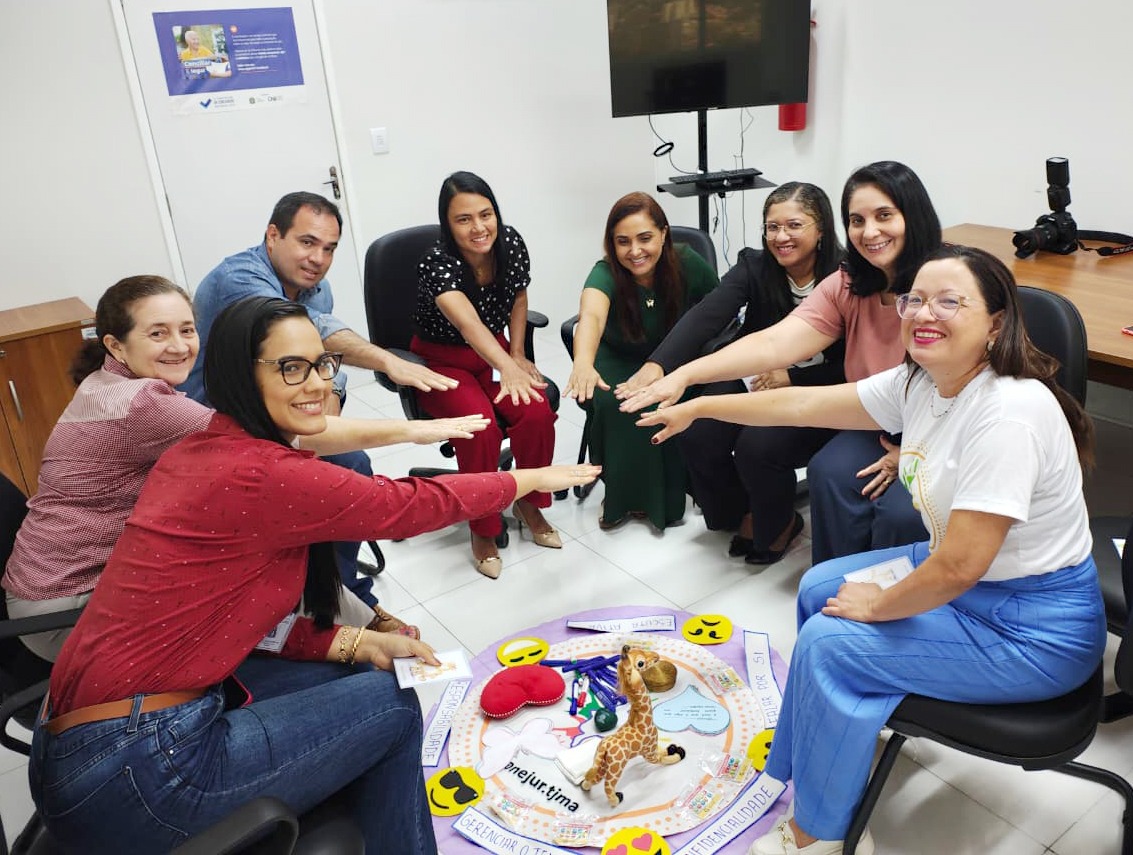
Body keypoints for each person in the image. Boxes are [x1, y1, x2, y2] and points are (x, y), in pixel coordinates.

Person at [30, 296, 599, 855]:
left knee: (365, 672)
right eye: (290, 367)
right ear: (240, 375)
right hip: (135, 768)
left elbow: (239, 621)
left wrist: (355, 642)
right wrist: (527, 479)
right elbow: (402, 506)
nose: (318, 385)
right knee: (392, 706)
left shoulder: (202, 448)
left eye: (321, 364)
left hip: (84, 745)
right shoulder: (258, 471)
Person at [638, 245, 1103, 855]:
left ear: (995, 323)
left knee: (828, 644)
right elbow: (802, 404)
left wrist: (879, 606)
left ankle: (818, 835)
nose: (923, 313)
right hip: (973, 586)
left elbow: (961, 566)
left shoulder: (1008, 414)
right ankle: (848, 735)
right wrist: (699, 405)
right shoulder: (924, 382)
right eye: (915, 299)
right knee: (819, 588)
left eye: (949, 301)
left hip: (1031, 629)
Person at [2, 276, 486, 660]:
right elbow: (291, 435)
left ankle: (357, 617)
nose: (179, 345)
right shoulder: (143, 403)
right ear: (116, 345)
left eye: (186, 329)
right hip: (71, 606)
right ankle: (353, 636)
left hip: (57, 585)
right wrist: (412, 430)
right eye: (157, 333)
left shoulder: (108, 384)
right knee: (259, 564)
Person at [621, 161, 938, 561]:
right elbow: (773, 342)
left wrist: (911, 449)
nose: (869, 231)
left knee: (894, 512)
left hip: (931, 423)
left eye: (884, 216)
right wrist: (679, 375)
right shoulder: (848, 282)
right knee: (825, 470)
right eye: (857, 220)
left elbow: (961, 386)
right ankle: (830, 579)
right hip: (871, 414)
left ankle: (882, 583)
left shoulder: (940, 282)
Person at [183, 192, 458, 624]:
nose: (318, 259)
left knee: (345, 468)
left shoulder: (316, 287)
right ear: (273, 236)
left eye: (329, 248)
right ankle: (326, 609)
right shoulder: (240, 279)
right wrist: (386, 361)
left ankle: (343, 598)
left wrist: (325, 410)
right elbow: (305, 334)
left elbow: (321, 364)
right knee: (338, 471)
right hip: (221, 425)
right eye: (307, 242)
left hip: (278, 411)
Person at [614, 182, 845, 563]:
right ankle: (743, 511)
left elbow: (857, 363)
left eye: (794, 225)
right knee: (699, 433)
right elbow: (707, 315)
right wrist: (659, 365)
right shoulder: (756, 265)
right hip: (756, 373)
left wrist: (792, 377)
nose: (781, 237)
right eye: (772, 227)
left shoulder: (846, 276)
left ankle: (779, 524)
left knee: (758, 446)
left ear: (821, 228)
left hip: (820, 386)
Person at [412, 171, 558, 578]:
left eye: (485, 214)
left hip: (494, 352)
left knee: (537, 411)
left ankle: (530, 501)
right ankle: (482, 526)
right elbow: (469, 326)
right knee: (480, 428)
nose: (479, 228)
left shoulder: (509, 241)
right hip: (440, 361)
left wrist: (517, 353)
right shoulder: (436, 262)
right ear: (448, 224)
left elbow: (518, 295)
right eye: (464, 219)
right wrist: (507, 366)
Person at [564, 191, 718, 531]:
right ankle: (622, 497)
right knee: (615, 401)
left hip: (673, 354)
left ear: (663, 234)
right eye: (623, 242)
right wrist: (583, 362)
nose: (634, 251)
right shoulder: (605, 272)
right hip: (618, 354)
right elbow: (591, 316)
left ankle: (678, 491)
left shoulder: (687, 261)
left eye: (645, 238)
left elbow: (720, 306)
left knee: (670, 399)